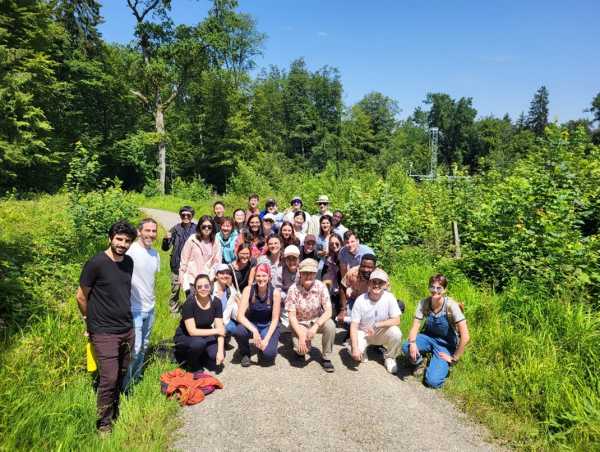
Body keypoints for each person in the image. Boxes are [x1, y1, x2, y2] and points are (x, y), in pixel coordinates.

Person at [76, 220, 137, 434]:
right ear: (110, 238)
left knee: (121, 370)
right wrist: (88, 321)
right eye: (119, 239)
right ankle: (103, 423)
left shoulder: (128, 262)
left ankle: (115, 403)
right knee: (108, 377)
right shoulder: (96, 263)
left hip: (127, 329)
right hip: (103, 331)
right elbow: (81, 296)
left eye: (127, 241)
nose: (122, 244)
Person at [402, 274, 470, 388]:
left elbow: (466, 336)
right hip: (427, 338)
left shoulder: (451, 306)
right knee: (406, 346)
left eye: (439, 288)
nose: (435, 290)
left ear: (444, 290)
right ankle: (420, 363)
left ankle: (439, 365)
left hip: (445, 345)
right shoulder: (424, 303)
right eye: (432, 287)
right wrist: (413, 343)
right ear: (429, 287)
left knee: (432, 382)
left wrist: (454, 359)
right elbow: (415, 325)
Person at [124, 218, 160, 390]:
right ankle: (126, 387)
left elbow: (151, 280)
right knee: (134, 349)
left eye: (154, 231)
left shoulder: (155, 254)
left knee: (144, 346)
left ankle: (136, 379)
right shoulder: (130, 251)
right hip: (134, 309)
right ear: (139, 231)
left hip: (150, 308)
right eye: (148, 230)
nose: (151, 235)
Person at [285, 258, 336, 372]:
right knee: (301, 350)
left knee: (331, 325)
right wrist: (301, 335)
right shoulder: (293, 289)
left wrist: (315, 326)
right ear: (300, 273)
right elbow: (291, 316)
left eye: (311, 273)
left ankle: (326, 357)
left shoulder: (321, 286)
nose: (308, 276)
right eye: (305, 273)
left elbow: (328, 311)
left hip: (316, 320)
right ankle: (301, 345)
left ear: (315, 273)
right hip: (300, 322)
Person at [350, 269, 402, 374]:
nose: (376, 285)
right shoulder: (360, 300)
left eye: (380, 282)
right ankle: (356, 347)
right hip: (363, 333)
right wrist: (355, 348)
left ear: (386, 285)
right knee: (357, 356)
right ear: (369, 283)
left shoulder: (390, 297)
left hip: (380, 332)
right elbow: (353, 326)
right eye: (374, 281)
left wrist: (377, 325)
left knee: (396, 332)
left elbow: (397, 320)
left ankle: (390, 357)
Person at [174, 274, 226, 371]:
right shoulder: (189, 303)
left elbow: (220, 329)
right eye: (199, 287)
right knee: (198, 344)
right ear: (195, 289)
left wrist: (220, 352)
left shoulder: (216, 302)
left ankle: (201, 357)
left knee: (217, 353)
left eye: (206, 286)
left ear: (210, 286)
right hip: (186, 335)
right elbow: (192, 331)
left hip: (205, 332)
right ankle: (191, 363)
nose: (203, 289)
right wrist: (216, 331)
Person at [233, 263, 281, 367]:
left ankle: (261, 347)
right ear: (255, 277)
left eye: (264, 275)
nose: (261, 278)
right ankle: (245, 353)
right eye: (258, 276)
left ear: (269, 276)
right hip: (252, 324)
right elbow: (240, 316)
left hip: (267, 326)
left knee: (268, 356)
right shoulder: (248, 290)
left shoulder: (275, 293)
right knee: (239, 331)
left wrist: (266, 339)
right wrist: (254, 330)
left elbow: (275, 319)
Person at [162, 206, 197, 313]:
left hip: (192, 265)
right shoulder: (175, 229)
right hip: (176, 264)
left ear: (192, 216)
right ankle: (174, 310)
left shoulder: (197, 229)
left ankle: (192, 310)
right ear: (180, 216)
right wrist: (165, 239)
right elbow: (165, 248)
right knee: (175, 289)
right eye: (183, 215)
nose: (185, 217)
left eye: (188, 215)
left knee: (192, 289)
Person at [179, 215, 222, 295]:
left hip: (208, 280)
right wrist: (181, 274)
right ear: (199, 227)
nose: (206, 229)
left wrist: (211, 276)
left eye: (209, 227)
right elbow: (184, 258)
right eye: (204, 226)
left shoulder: (216, 241)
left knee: (206, 306)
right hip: (192, 279)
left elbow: (217, 261)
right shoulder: (193, 239)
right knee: (192, 304)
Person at [339, 254, 377, 324]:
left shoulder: (380, 277)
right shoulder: (353, 272)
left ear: (374, 268)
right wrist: (343, 310)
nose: (366, 269)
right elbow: (342, 287)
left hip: (373, 303)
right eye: (363, 266)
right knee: (349, 319)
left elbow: (386, 295)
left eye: (369, 267)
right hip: (355, 301)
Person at [211, 264, 239, 336]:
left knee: (233, 329)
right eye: (222, 273)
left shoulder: (231, 291)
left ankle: (223, 339)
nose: (225, 275)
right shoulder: (210, 289)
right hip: (210, 322)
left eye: (227, 273)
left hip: (224, 320)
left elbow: (236, 306)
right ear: (216, 276)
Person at [322, 233, 344, 319]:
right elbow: (327, 277)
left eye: (337, 243)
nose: (334, 246)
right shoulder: (329, 258)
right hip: (335, 292)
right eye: (331, 244)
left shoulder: (345, 256)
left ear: (341, 243)